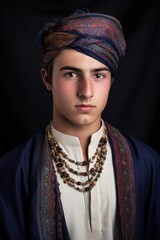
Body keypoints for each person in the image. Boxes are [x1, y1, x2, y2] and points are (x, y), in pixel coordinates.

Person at [0, 8, 160, 240]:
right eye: (71, 74)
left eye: (98, 75)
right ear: (47, 79)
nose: (86, 92)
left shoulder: (148, 166)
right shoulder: (12, 171)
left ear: (110, 81)